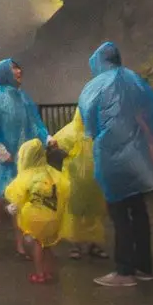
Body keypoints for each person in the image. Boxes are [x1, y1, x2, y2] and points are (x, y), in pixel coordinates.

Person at [77, 41, 153, 288]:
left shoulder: (96, 86)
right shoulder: (135, 80)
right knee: (138, 209)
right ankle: (144, 267)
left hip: (113, 157)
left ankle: (124, 271)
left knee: (119, 212)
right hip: (138, 155)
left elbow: (89, 124)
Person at [0, 57, 48, 259]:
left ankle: (20, 246)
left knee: (20, 203)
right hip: (2, 159)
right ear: (4, 74)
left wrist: (45, 139)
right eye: (14, 69)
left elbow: (35, 124)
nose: (18, 72)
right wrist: (2, 153)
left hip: (21, 158)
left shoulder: (22, 97)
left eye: (19, 68)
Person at [2, 138, 66, 284]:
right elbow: (64, 187)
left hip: (36, 218)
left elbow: (16, 194)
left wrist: (13, 206)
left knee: (37, 244)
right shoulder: (51, 173)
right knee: (48, 245)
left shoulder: (26, 176)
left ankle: (40, 274)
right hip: (53, 216)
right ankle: (49, 272)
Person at [51, 110, 108, 261]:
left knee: (93, 214)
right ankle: (76, 245)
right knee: (74, 215)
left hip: (94, 182)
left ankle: (92, 244)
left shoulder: (97, 131)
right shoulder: (71, 132)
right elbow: (53, 149)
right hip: (75, 181)